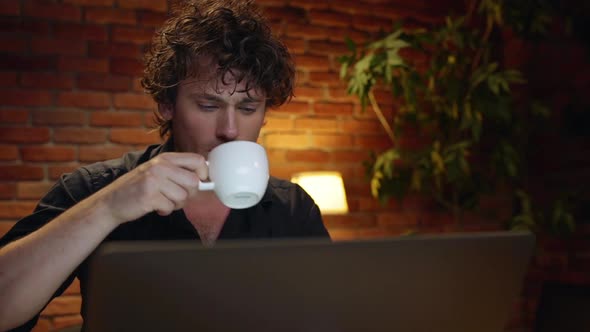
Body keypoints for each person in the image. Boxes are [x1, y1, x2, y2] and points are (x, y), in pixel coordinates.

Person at [0, 0, 329, 330]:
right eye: (207, 104)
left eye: (247, 108)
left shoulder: (293, 209)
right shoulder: (95, 188)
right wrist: (107, 209)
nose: (229, 130)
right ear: (167, 104)